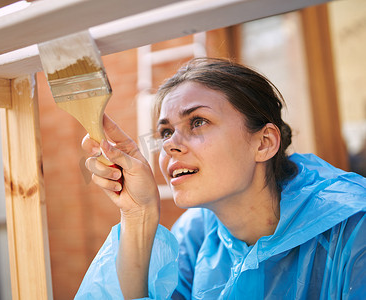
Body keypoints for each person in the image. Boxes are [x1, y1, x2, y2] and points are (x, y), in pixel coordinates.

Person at [75, 58, 366, 299]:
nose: (169, 145)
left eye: (198, 121)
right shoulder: (195, 238)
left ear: (264, 143)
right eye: (166, 132)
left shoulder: (354, 228)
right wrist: (138, 214)